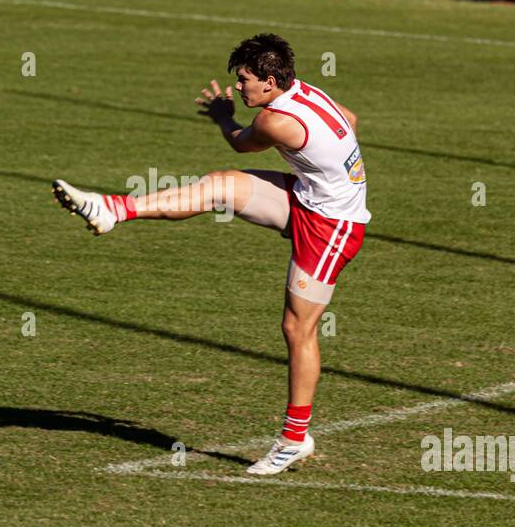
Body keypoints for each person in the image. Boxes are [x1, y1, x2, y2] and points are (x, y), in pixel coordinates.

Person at [51, 34, 370, 475]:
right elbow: (349, 121)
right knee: (219, 186)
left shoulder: (277, 121)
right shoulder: (309, 92)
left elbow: (240, 141)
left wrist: (224, 117)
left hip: (332, 226)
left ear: (271, 80)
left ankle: (295, 439)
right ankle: (112, 209)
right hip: (309, 199)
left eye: (244, 80)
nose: (239, 88)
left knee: (297, 328)